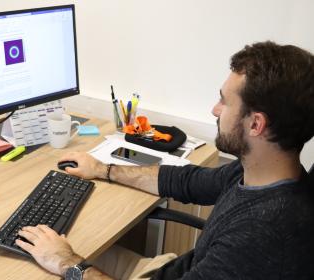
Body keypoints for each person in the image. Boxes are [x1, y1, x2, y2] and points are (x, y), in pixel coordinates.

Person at [16, 41, 314, 279]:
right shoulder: (260, 171)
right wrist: (102, 169)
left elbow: (68, 263)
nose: (214, 109)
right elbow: (185, 180)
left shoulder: (264, 234)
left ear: (255, 125)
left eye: (225, 101)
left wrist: (68, 263)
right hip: (175, 270)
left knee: (35, 265)